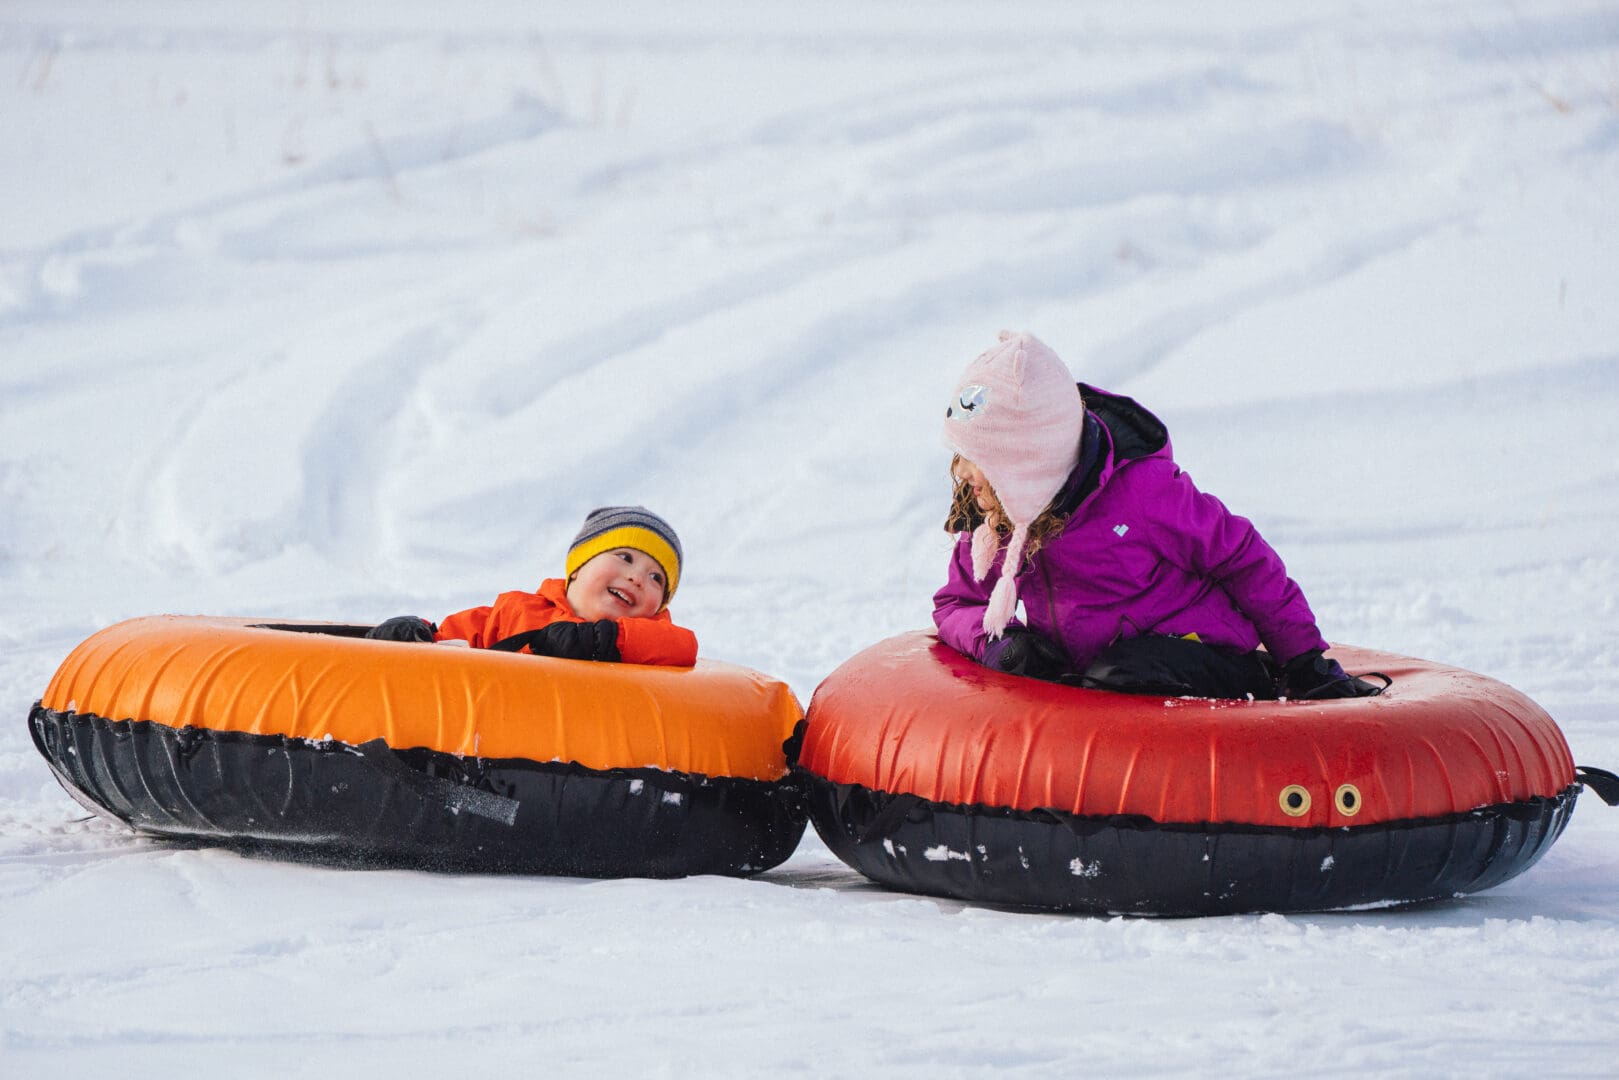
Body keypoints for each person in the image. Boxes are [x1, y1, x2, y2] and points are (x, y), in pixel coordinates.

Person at [932, 330, 1381, 700]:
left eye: (980, 459)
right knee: (1094, 678)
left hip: (1205, 659)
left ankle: (1259, 687)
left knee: (1120, 675)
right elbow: (956, 602)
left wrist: (1303, 660)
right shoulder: (997, 520)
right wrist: (1002, 645)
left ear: (1029, 460)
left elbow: (1242, 558)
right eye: (961, 455)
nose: (964, 473)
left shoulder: (1142, 492)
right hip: (1099, 679)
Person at [367, 505, 697, 666]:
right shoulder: (518, 611)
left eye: (656, 578)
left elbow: (682, 648)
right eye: (625, 557)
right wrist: (419, 637)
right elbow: (459, 638)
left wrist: (607, 640)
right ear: (579, 568)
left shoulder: (654, 637)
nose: (637, 577)